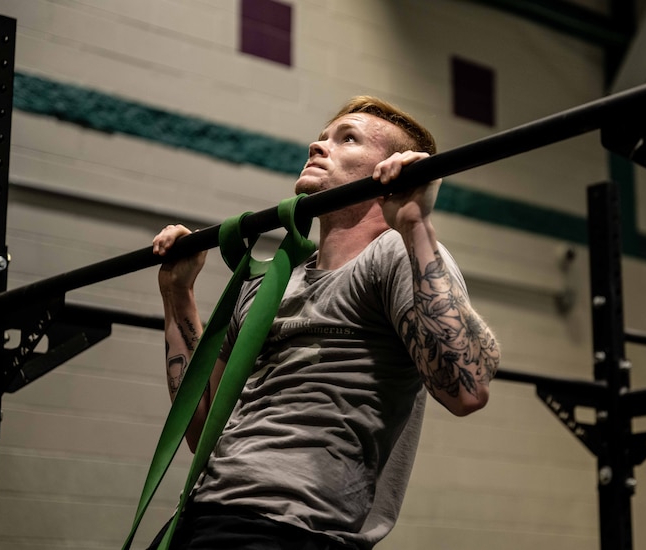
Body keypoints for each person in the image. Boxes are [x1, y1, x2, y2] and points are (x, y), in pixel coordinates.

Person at [150, 96, 500, 550]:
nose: (317, 146)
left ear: (388, 171)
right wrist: (178, 294)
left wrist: (414, 224)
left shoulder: (393, 255)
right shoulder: (270, 283)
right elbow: (201, 432)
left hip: (290, 529)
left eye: (347, 138)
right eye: (321, 137)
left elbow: (468, 387)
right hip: (199, 516)